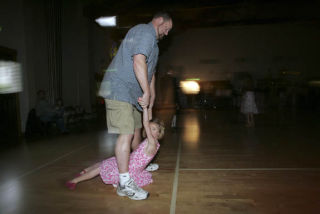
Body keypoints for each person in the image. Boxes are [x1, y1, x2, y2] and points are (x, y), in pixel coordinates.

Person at [98, 12, 172, 200]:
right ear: (159, 20)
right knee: (127, 133)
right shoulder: (145, 31)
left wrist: (152, 93)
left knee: (138, 131)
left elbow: (151, 72)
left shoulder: (154, 45)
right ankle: (124, 182)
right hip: (120, 89)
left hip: (133, 94)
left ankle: (140, 164)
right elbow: (138, 60)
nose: (168, 32)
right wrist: (146, 92)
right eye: (167, 27)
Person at [65, 103, 165, 200]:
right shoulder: (152, 142)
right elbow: (148, 124)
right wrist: (148, 109)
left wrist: (145, 108)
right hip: (129, 163)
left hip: (129, 169)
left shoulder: (152, 143)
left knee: (100, 168)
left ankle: (74, 181)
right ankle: (84, 171)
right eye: (151, 128)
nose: (150, 130)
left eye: (154, 129)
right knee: (106, 162)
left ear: (159, 133)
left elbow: (146, 124)